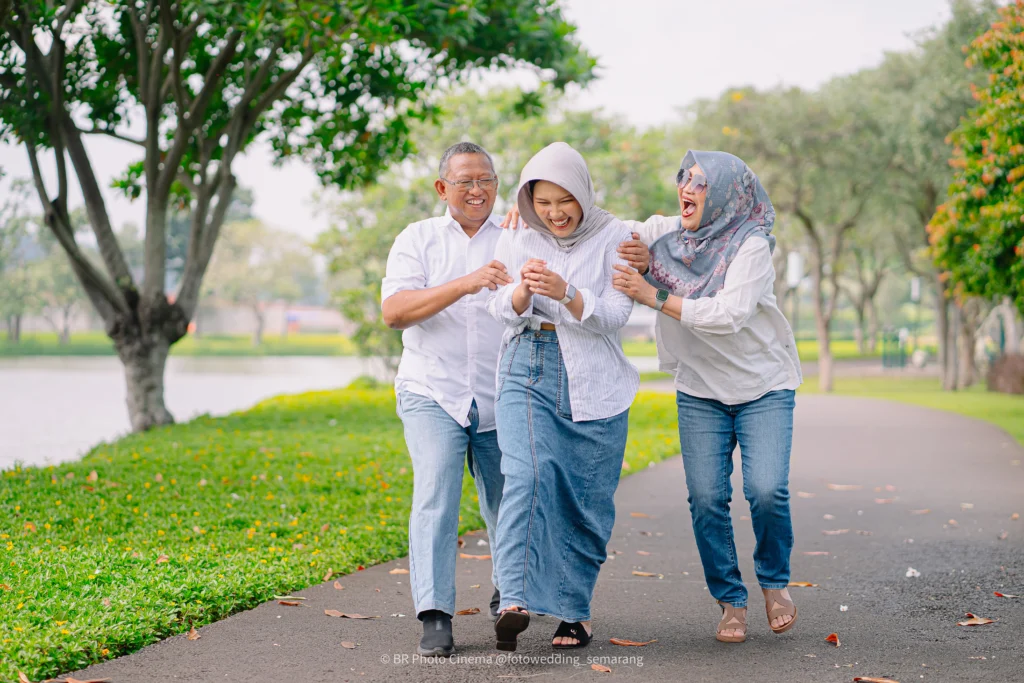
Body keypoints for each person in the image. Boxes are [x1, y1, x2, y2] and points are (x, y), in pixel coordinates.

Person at [611, 150, 803, 643]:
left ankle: (774, 582)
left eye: (700, 183)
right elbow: (598, 230)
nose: (687, 189)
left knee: (766, 490)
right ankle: (730, 599)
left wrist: (651, 293)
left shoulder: (752, 245)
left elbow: (727, 314)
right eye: (684, 179)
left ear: (725, 194)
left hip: (763, 385)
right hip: (699, 388)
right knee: (707, 498)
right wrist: (525, 219)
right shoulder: (664, 232)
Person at [486, 142, 639, 652]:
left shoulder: (618, 236)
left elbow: (617, 314)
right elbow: (498, 308)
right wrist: (524, 295)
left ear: (584, 193)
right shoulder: (518, 234)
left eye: (564, 200)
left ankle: (575, 613)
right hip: (526, 365)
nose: (554, 213)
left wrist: (565, 291)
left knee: (586, 502)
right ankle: (513, 598)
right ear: (530, 200)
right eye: (543, 202)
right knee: (526, 475)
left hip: (596, 379)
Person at [381, 141, 511, 656]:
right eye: (465, 182)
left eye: (486, 180)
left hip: (502, 392)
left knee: (510, 498)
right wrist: (468, 283)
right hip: (432, 388)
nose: (478, 190)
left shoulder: (518, 237)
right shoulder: (418, 240)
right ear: (443, 189)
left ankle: (511, 598)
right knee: (436, 491)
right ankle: (435, 613)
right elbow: (394, 311)